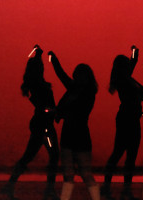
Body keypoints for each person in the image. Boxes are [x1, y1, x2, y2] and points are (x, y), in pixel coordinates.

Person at [1, 45, 59, 200]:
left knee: (30, 155)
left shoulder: (33, 84)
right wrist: (54, 111)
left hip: (40, 123)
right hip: (45, 126)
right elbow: (47, 107)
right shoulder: (40, 86)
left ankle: (10, 184)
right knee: (52, 155)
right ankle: (49, 190)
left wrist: (38, 53)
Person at [48, 51, 100, 200]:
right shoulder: (79, 90)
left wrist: (58, 111)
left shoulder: (87, 93)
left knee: (83, 172)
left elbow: (77, 110)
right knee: (70, 173)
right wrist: (54, 60)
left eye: (79, 75)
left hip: (77, 134)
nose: (77, 77)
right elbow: (62, 75)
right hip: (73, 133)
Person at [101, 46, 143, 200]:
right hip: (128, 118)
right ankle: (118, 188)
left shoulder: (124, 78)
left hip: (130, 117)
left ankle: (111, 187)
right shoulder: (124, 79)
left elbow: (133, 63)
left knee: (124, 154)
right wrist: (134, 53)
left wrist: (134, 53)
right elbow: (133, 65)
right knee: (123, 153)